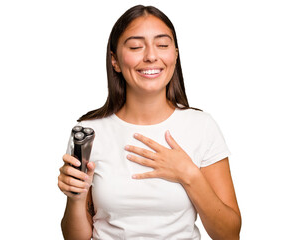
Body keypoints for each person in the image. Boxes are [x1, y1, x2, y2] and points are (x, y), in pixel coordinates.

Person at [58, 5, 241, 240]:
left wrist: (188, 174)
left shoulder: (201, 126)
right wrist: (76, 197)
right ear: (114, 60)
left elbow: (230, 234)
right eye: (135, 46)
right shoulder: (90, 132)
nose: (151, 56)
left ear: (175, 54)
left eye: (162, 45)